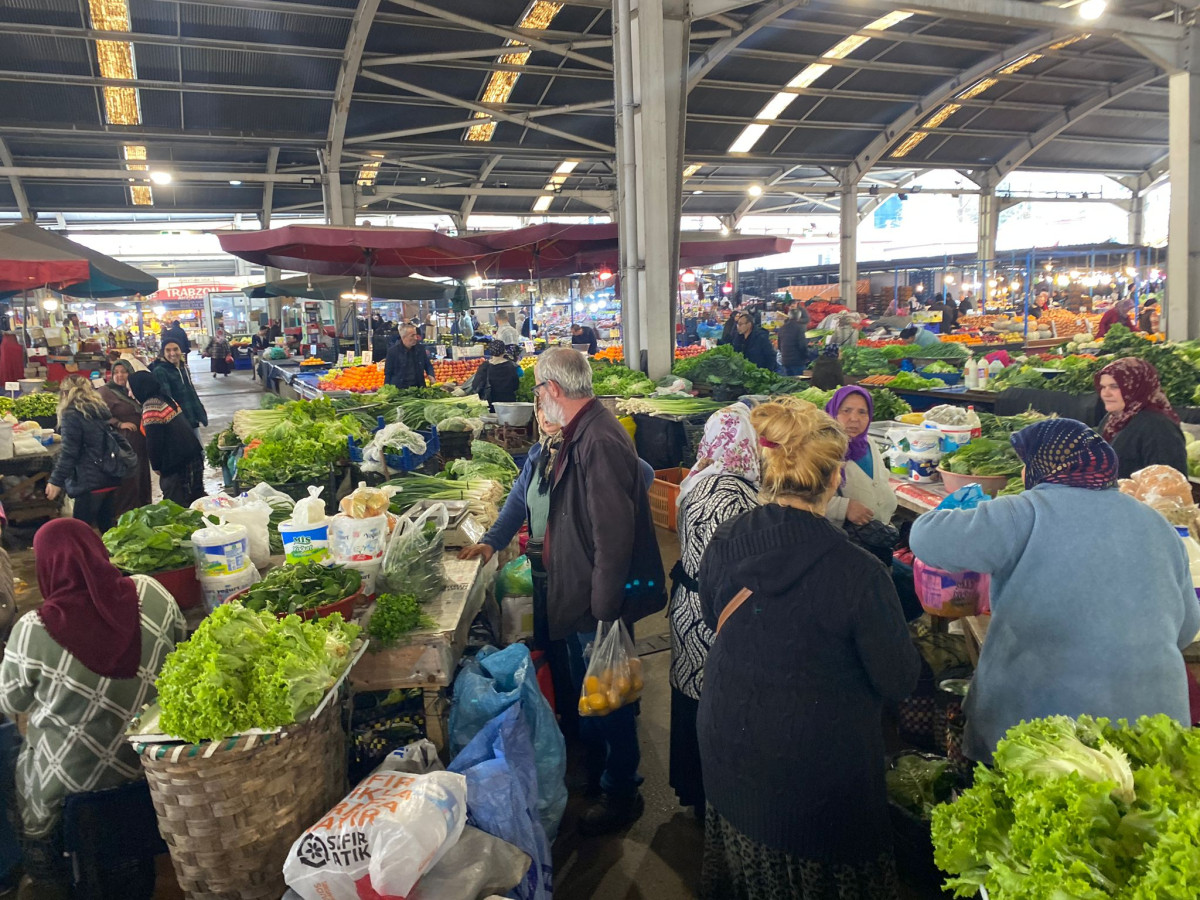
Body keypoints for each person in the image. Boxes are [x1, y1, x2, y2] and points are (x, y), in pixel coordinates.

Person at [697, 400, 920, 899]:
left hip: (729, 748)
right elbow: (899, 679)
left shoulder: (728, 536)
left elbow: (717, 618)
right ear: (836, 476)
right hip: (817, 780)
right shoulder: (860, 572)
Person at [910, 418, 1199, 763]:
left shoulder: (1024, 511)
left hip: (1051, 734)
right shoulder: (1155, 523)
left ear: (1039, 468)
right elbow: (1185, 630)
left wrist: (962, 505)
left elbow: (925, 538)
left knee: (1018, 804)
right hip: (1151, 730)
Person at [0, 519, 185, 899]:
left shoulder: (32, 630)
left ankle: (41, 872)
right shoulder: (153, 594)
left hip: (72, 793)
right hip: (153, 767)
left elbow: (11, 702)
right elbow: (181, 647)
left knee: (15, 764)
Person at [532, 347, 665, 835]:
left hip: (596, 602)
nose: (538, 399)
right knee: (594, 696)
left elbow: (614, 533)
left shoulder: (599, 439)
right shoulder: (581, 432)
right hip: (583, 594)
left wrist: (605, 609)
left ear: (554, 390)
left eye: (539, 390)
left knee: (610, 701)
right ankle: (600, 775)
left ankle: (621, 792)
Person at [668, 406, 761, 818]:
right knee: (715, 705)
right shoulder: (741, 495)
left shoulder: (695, 480)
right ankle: (717, 802)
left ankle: (692, 791)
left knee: (689, 696)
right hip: (717, 616)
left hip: (686, 606)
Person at [45, 376, 125, 532]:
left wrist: (55, 481)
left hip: (89, 480)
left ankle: (85, 557)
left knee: (80, 532)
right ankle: (109, 556)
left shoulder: (71, 414)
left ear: (64, 393)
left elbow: (69, 452)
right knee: (108, 530)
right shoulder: (99, 409)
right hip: (109, 476)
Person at [1096, 357, 1187, 478]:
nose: (1105, 393)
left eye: (1114, 386)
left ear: (1137, 387)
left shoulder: (1159, 427)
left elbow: (1169, 485)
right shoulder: (1113, 419)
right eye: (1103, 387)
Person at [128, 372, 204, 508]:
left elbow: (154, 441)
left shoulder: (151, 406)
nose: (130, 394)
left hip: (176, 466)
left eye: (131, 389)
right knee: (195, 500)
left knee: (178, 508)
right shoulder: (165, 398)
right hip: (191, 457)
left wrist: (156, 465)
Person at [824, 386, 896, 527]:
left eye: (862, 412)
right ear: (833, 413)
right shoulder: (822, 449)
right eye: (846, 411)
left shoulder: (869, 443)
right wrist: (843, 507)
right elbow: (799, 499)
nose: (855, 418)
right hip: (843, 540)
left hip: (877, 533)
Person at [99, 360, 151, 517]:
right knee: (129, 478)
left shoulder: (133, 389)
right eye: (116, 372)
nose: (120, 375)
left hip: (140, 439)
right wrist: (119, 423)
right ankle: (126, 513)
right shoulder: (105, 392)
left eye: (124, 372)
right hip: (124, 441)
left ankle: (143, 508)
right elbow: (99, 415)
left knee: (142, 474)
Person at [149, 338, 207, 440]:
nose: (172, 353)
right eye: (168, 350)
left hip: (191, 417)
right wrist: (176, 423)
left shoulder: (183, 368)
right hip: (178, 422)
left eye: (176, 349)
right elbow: (166, 399)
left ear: (181, 350)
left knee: (198, 450)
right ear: (163, 353)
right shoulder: (160, 371)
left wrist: (200, 412)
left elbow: (191, 392)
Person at [464, 340, 521, 408]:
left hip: (490, 402)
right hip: (508, 403)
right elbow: (516, 385)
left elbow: (475, 385)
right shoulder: (511, 366)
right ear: (503, 351)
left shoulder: (485, 366)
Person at [383, 325, 434, 390]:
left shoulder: (420, 349)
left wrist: (431, 375)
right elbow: (388, 373)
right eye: (412, 335)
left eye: (415, 335)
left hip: (418, 389)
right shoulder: (393, 352)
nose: (415, 338)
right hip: (399, 390)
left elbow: (428, 365)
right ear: (403, 337)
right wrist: (386, 389)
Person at [776, 305, 810, 377]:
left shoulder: (782, 328)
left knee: (790, 382)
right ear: (799, 317)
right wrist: (806, 356)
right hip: (797, 361)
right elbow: (802, 346)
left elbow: (779, 346)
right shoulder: (799, 328)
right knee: (800, 383)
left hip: (785, 360)